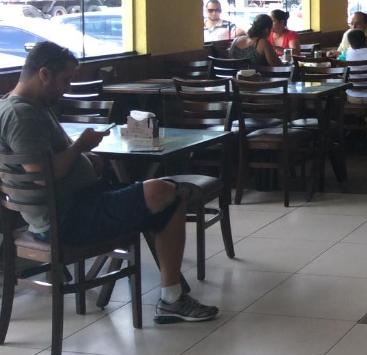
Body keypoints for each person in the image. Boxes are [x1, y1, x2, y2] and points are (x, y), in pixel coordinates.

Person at [0, 43, 219, 323]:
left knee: (166, 195)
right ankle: (171, 298)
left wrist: (86, 160)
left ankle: (172, 297)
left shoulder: (18, 106)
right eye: (65, 80)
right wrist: (80, 146)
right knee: (164, 191)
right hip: (68, 219)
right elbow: (42, 175)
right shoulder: (23, 115)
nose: (66, 88)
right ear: (43, 74)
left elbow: (49, 164)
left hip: (73, 208)